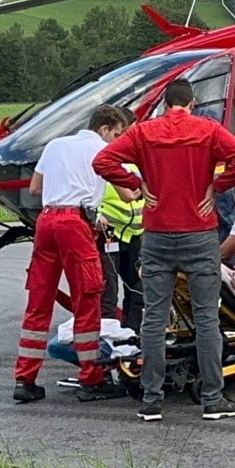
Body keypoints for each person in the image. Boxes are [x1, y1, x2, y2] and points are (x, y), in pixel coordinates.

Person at [93, 78, 235, 422]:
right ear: (192, 103)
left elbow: (103, 162)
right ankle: (212, 398)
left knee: (154, 317)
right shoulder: (208, 130)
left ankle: (151, 399)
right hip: (199, 232)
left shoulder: (143, 133)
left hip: (157, 234)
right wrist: (217, 186)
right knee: (206, 317)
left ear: (165, 103)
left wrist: (137, 184)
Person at [14, 105, 131, 405]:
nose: (117, 141)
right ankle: (91, 379)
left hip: (47, 222)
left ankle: (25, 379)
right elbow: (129, 193)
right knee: (87, 301)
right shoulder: (103, 152)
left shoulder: (55, 145)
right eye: (117, 134)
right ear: (104, 128)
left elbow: (35, 188)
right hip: (76, 227)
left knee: (38, 303)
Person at [96, 107, 144, 328]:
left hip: (135, 233)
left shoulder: (135, 159)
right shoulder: (108, 158)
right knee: (109, 288)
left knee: (137, 287)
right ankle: (108, 334)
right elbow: (128, 195)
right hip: (110, 232)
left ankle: (131, 332)